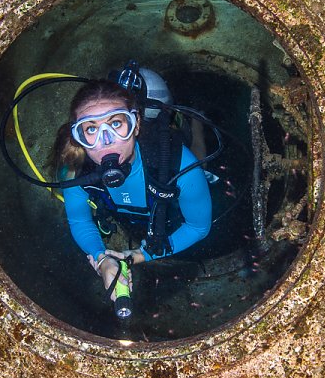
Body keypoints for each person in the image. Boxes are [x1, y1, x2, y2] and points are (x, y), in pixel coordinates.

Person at [55, 78, 212, 302]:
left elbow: (198, 227)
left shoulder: (181, 166)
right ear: (78, 137)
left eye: (116, 124)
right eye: (91, 129)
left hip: (171, 198)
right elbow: (80, 222)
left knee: (201, 164)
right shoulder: (75, 173)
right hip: (141, 220)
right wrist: (101, 260)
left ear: (136, 124)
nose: (106, 141)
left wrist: (141, 255)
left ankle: (196, 120)